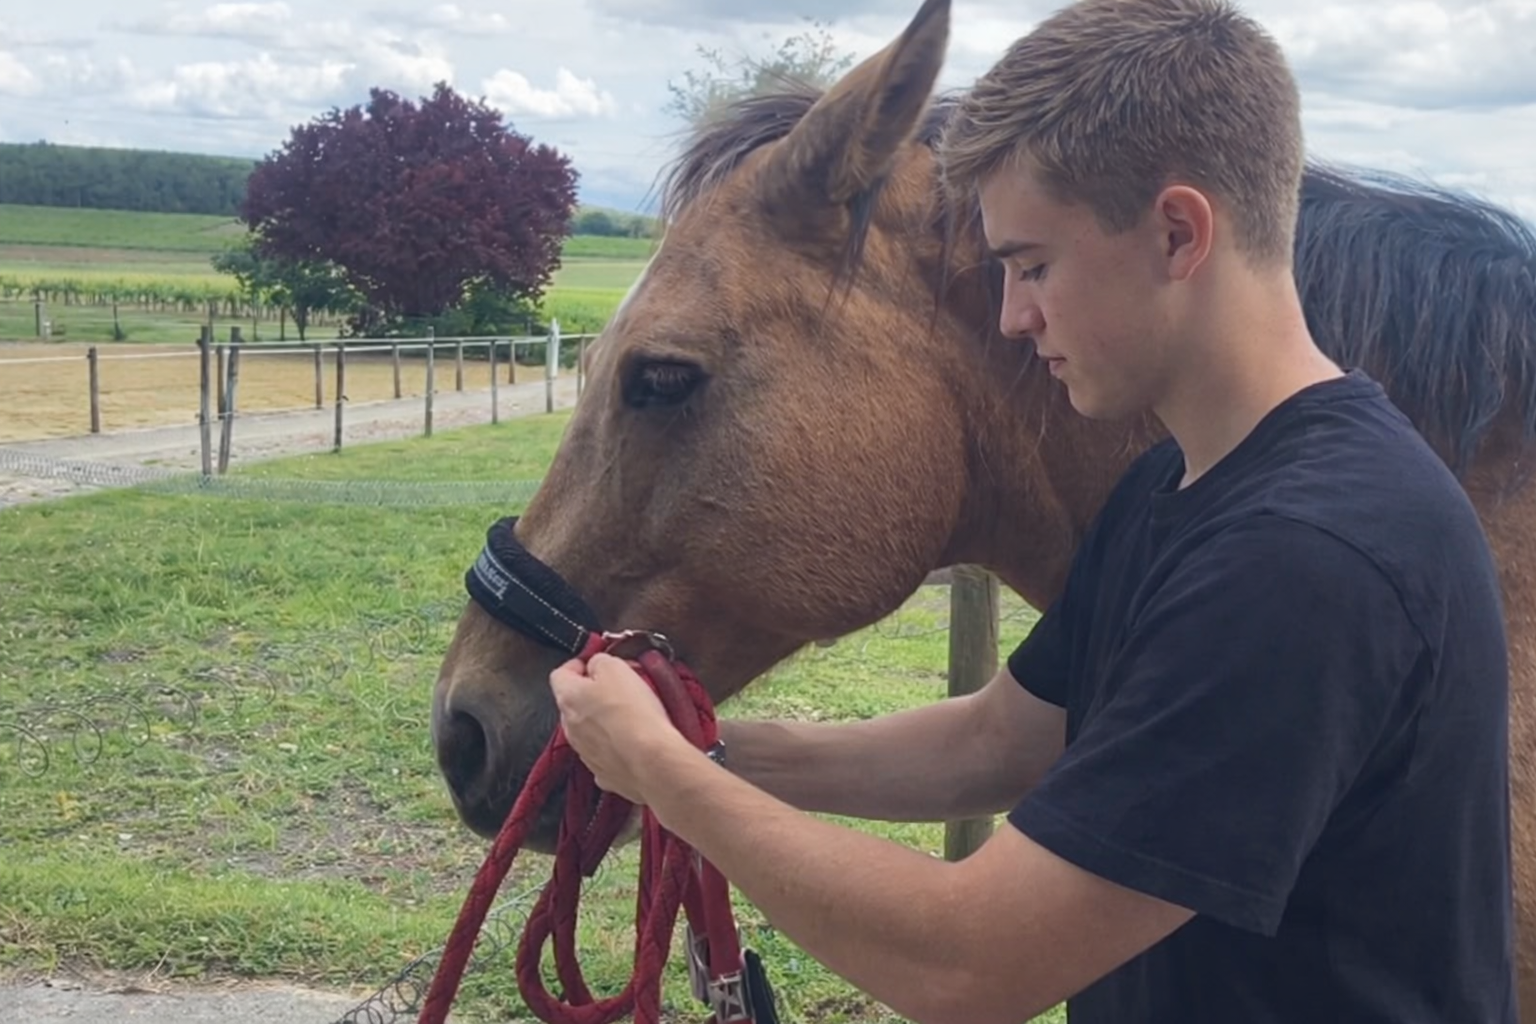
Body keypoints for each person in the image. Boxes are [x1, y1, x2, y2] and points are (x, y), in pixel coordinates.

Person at [549, 0, 1519, 1020]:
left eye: (1033, 265)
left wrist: (666, 776)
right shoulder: (1183, 483)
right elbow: (998, 743)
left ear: (1179, 234)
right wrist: (702, 746)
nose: (1014, 317)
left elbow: (971, 965)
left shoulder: (1310, 556)